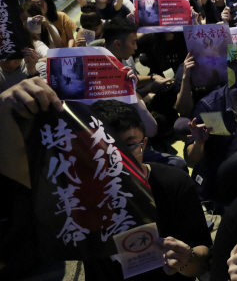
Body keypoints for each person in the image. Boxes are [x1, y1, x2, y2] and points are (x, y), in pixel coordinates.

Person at [0, 79, 211, 280]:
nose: (119, 157)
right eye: (108, 147)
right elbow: (18, 173)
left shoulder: (174, 182)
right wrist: (6, 112)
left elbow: (202, 259)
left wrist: (186, 260)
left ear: (144, 144)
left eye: (129, 145)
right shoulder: (77, 189)